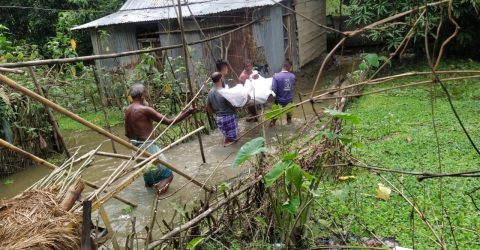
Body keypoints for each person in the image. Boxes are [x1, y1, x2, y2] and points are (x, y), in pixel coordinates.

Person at [125, 83, 195, 194]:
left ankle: (149, 197)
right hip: (148, 147)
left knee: (149, 176)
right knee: (168, 175)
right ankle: (158, 200)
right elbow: (168, 121)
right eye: (146, 94)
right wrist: (187, 113)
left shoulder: (127, 110)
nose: (147, 96)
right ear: (142, 95)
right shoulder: (144, 109)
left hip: (135, 148)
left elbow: (127, 134)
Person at [206, 72, 238, 144]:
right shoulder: (224, 91)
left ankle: (225, 149)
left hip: (219, 119)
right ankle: (233, 153)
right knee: (234, 140)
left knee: (226, 137)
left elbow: (207, 106)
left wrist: (214, 113)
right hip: (229, 117)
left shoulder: (210, 92)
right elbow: (232, 105)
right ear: (221, 79)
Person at [269, 59, 295, 127]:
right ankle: (290, 132)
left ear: (283, 65)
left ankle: (271, 126)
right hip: (289, 101)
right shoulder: (292, 76)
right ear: (289, 67)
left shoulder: (276, 76)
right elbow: (291, 87)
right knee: (289, 120)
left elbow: (274, 90)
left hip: (279, 101)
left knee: (273, 119)